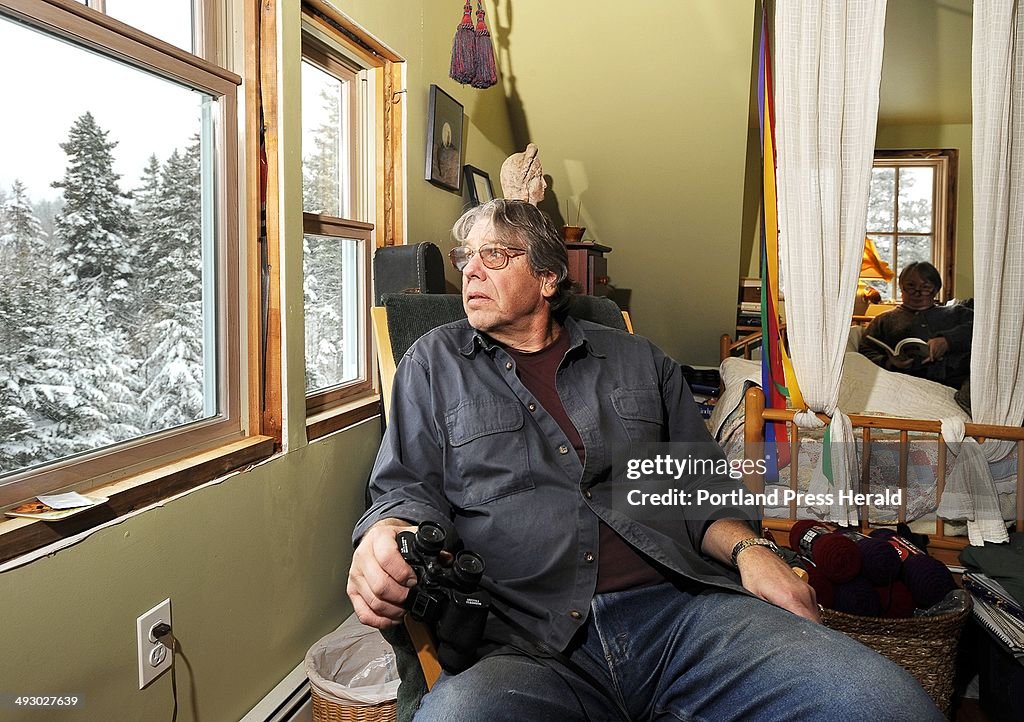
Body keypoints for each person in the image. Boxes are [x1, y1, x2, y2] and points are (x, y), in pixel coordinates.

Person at [348, 199, 942, 721]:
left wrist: (753, 550)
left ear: (549, 276)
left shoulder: (637, 360)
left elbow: (697, 494)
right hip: (525, 639)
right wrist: (386, 534)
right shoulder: (435, 363)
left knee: (888, 703)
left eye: (494, 256)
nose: (470, 270)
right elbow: (405, 489)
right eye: (465, 258)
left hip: (682, 616)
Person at [858, 261, 973, 391]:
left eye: (925, 287)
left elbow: (983, 330)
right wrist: (888, 362)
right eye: (911, 286)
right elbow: (865, 350)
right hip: (902, 386)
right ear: (901, 287)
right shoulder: (883, 320)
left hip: (956, 384)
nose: (917, 293)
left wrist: (948, 340)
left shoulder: (956, 313)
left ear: (935, 289)